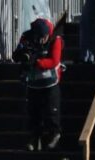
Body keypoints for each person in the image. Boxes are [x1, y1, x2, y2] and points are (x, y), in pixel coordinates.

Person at [13, 18, 64, 151]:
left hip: (50, 82)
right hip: (33, 83)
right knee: (33, 112)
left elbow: (54, 60)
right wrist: (23, 57)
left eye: (44, 37)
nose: (41, 40)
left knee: (51, 112)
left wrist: (38, 63)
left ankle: (54, 136)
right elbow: (18, 53)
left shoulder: (55, 40)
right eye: (39, 37)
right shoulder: (27, 37)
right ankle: (34, 138)